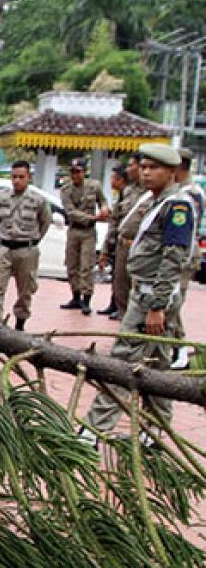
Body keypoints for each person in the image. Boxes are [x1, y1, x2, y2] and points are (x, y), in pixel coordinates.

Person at [80, 143, 196, 448]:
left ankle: (93, 430)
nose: (145, 173)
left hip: (151, 300)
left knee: (122, 362)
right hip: (146, 295)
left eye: (153, 168)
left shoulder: (177, 206)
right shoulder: (158, 201)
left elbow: (173, 258)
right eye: (143, 167)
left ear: (172, 172)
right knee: (157, 367)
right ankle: (155, 432)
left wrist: (156, 307)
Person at [0, 161, 51, 331]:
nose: (17, 180)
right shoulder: (1, 197)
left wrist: (32, 241)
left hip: (26, 250)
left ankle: (20, 322)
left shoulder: (38, 200)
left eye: (21, 177)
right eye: (14, 177)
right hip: (5, 248)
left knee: (25, 289)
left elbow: (45, 222)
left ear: (29, 178)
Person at [59, 158, 109, 315]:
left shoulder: (94, 187)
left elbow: (103, 201)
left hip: (88, 232)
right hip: (75, 229)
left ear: (84, 172)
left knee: (86, 266)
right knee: (72, 265)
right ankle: (75, 296)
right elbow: (70, 211)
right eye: (72, 172)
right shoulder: (66, 190)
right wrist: (93, 218)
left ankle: (86, 300)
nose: (75, 175)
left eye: (78, 171)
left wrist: (104, 209)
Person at [100, 154, 147, 320]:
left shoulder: (151, 193)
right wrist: (107, 248)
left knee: (139, 291)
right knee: (120, 287)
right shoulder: (127, 191)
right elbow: (115, 221)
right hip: (123, 246)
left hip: (142, 247)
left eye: (131, 165)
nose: (128, 169)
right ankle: (123, 319)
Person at [173, 148, 204, 367]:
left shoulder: (190, 194)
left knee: (173, 301)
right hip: (180, 254)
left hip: (183, 255)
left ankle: (181, 349)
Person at [96, 164, 131, 317]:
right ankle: (114, 304)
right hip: (118, 242)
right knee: (117, 276)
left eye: (113, 177)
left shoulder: (132, 195)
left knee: (123, 278)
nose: (111, 181)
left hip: (128, 243)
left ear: (120, 179)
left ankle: (120, 307)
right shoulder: (121, 195)